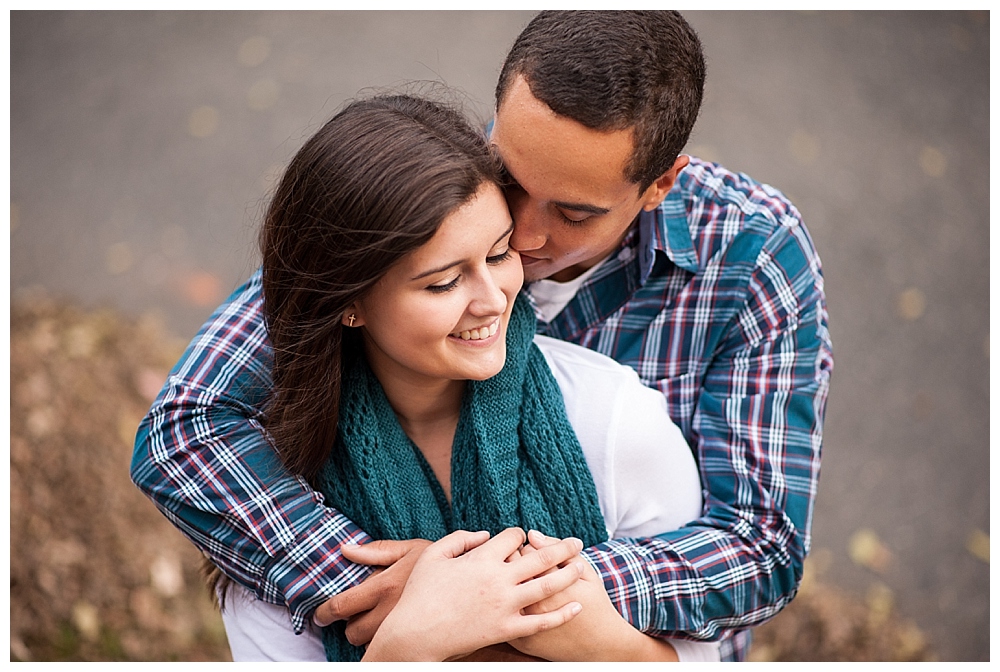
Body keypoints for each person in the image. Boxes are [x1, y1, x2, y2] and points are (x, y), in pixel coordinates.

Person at [131, 10, 832, 661]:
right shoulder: (441, 202)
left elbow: (760, 547)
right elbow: (187, 429)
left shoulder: (751, 257)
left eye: (573, 213)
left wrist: (508, 591)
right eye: (512, 178)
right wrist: (392, 591)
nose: (523, 237)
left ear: (660, 186)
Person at [170, 93, 715, 661]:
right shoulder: (277, 496)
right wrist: (404, 648)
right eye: (443, 283)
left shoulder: (613, 420)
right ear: (350, 303)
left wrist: (598, 641)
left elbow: (705, 654)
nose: (493, 300)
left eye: (500, 254)